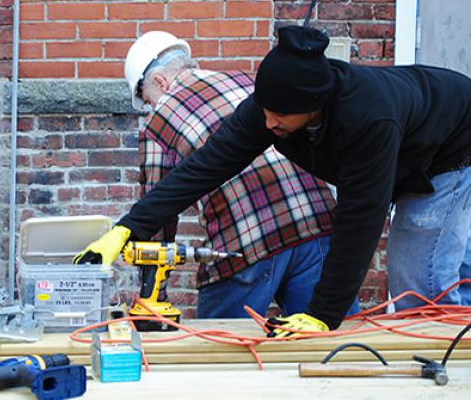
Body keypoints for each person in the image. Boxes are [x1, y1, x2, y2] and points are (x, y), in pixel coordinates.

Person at [75, 25, 471, 337]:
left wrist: (322, 315)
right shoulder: (272, 103)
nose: (268, 124)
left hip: (451, 145)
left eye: (279, 116)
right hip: (405, 149)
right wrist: (128, 227)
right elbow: (206, 165)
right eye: (264, 111)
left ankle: (448, 372)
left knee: (419, 274)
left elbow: (360, 219)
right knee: (436, 264)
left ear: (313, 107)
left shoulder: (367, 119)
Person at [121, 31, 357, 319]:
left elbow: (157, 214)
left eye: (147, 100)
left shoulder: (158, 120)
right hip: (316, 224)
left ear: (160, 82)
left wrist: (152, 298)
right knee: (332, 346)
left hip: (246, 241)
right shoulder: (247, 81)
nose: (150, 108)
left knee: (219, 354)